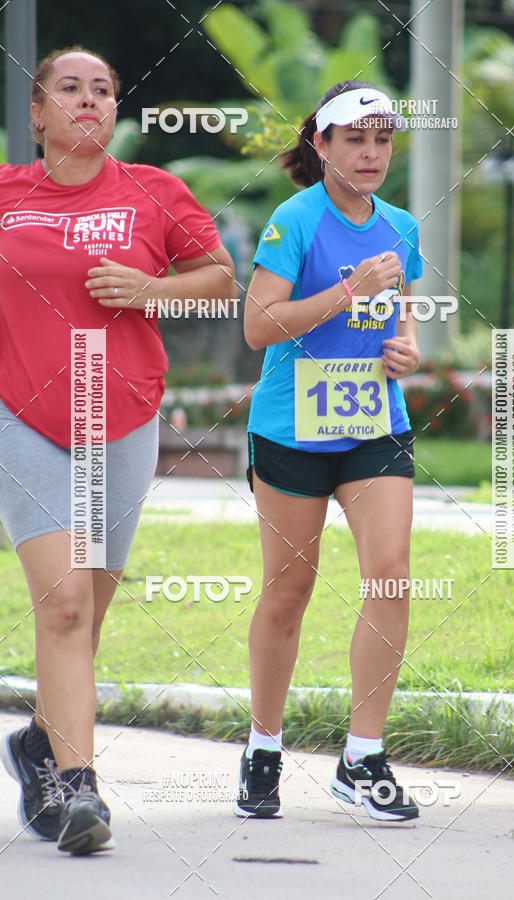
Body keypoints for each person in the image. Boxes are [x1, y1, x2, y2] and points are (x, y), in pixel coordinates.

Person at [0, 46, 234, 853]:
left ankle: (39, 742)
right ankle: (78, 788)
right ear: (36, 112)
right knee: (63, 603)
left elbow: (221, 278)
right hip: (21, 416)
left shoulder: (153, 192)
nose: (89, 100)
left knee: (86, 614)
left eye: (103, 89)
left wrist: (150, 290)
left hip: (119, 415)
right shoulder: (5, 195)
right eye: (69, 89)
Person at [235, 80, 423, 821]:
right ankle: (262, 747)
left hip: (374, 421)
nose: (371, 152)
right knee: (289, 591)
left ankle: (363, 757)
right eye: (355, 138)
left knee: (392, 577)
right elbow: (258, 328)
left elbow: (400, 328)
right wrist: (346, 293)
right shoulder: (296, 218)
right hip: (292, 429)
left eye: (382, 138)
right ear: (322, 145)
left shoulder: (402, 224)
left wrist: (406, 350)